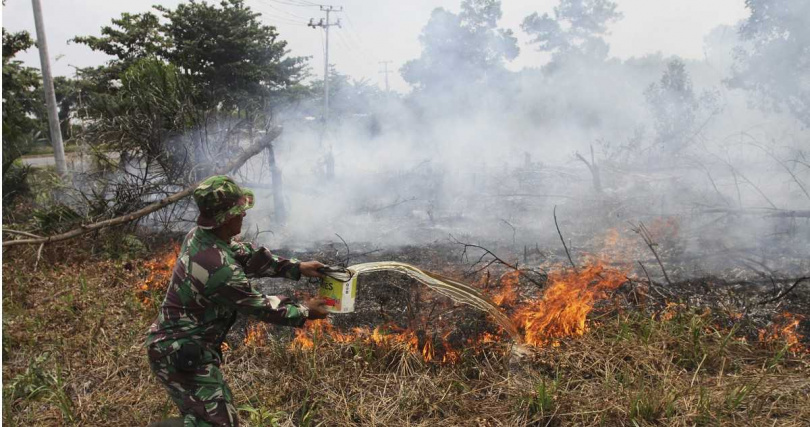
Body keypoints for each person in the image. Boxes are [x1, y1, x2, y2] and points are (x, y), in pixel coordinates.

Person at [145, 175, 329, 427]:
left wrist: (298, 267)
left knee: (212, 417)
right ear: (224, 218)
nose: (244, 215)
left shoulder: (202, 237)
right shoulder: (219, 269)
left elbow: (246, 255)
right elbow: (258, 306)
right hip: (181, 353)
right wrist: (305, 310)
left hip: (181, 346)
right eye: (239, 211)